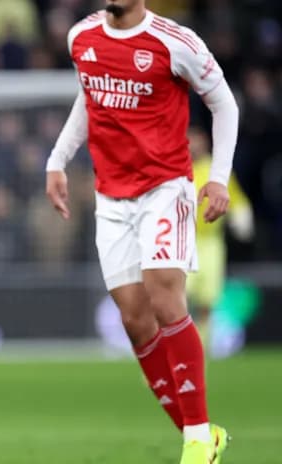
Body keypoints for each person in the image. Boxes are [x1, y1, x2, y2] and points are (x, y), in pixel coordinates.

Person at [44, 1, 238, 463]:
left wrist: (219, 177)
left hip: (165, 188)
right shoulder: (81, 37)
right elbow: (87, 99)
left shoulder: (176, 42)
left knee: (164, 295)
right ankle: (202, 434)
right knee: (134, 317)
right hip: (112, 196)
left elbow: (224, 102)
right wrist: (57, 159)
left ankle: (194, 441)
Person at [185, 126, 252, 349]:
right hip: (182, 241)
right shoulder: (176, 168)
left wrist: (242, 216)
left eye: (196, 139)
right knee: (178, 297)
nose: (193, 144)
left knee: (207, 299)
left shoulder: (217, 170)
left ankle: (201, 346)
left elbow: (236, 197)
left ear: (204, 141)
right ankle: (179, 346)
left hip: (211, 243)